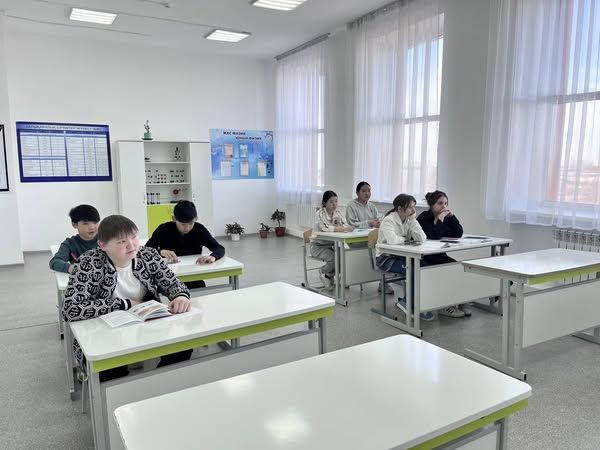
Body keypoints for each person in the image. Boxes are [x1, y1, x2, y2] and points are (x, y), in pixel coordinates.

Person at [63, 215, 192, 381]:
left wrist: (180, 296)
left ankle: (157, 384)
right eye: (122, 241)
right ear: (103, 245)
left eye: (134, 237)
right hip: (104, 332)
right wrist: (125, 304)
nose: (132, 245)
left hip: (147, 324)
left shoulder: (148, 255)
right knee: (110, 372)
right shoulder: (88, 263)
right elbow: (70, 309)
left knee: (183, 347)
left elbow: (173, 284)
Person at [375, 194, 433, 321]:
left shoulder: (409, 220)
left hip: (401, 256)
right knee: (412, 270)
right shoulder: (389, 220)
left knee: (425, 267)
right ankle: (409, 304)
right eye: (410, 207)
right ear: (400, 209)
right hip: (385, 258)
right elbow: (392, 240)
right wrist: (405, 239)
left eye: (414, 207)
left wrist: (413, 220)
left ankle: (415, 303)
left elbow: (422, 238)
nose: (413, 210)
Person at [146, 200, 225, 289]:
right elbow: (145, 250)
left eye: (191, 224)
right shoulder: (163, 229)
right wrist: (160, 251)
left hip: (192, 276)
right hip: (167, 278)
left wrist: (213, 256)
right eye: (183, 224)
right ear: (174, 218)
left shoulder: (199, 229)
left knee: (200, 289)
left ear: (196, 218)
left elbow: (219, 248)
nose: (187, 228)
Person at [417, 190, 469, 318]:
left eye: (446, 203)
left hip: (439, 255)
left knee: (458, 267)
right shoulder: (424, 218)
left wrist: (452, 217)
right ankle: (444, 306)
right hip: (424, 257)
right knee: (446, 271)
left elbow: (458, 233)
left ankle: (457, 301)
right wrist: (440, 219)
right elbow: (434, 235)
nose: (444, 206)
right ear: (432, 205)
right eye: (440, 203)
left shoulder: (446, 216)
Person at [345, 181, 393, 295]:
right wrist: (369, 223)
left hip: (371, 239)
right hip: (357, 240)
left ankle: (383, 282)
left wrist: (379, 223)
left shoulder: (371, 206)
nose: (367, 193)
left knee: (386, 251)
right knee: (378, 252)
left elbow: (377, 219)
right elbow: (352, 224)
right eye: (364, 191)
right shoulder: (351, 205)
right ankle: (349, 278)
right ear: (357, 193)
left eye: (369, 191)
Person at [311, 190, 354, 291]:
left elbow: (345, 225)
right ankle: (323, 272)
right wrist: (343, 229)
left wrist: (345, 228)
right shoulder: (319, 213)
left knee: (344, 257)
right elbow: (326, 228)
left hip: (332, 245)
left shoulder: (337, 213)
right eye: (331, 201)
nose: (334, 204)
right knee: (334, 258)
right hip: (318, 246)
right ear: (324, 202)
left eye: (336, 201)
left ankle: (328, 275)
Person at [49, 204, 100, 273]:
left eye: (95, 222)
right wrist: (72, 268)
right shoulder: (70, 244)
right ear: (74, 224)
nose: (92, 227)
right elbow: (54, 262)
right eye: (86, 223)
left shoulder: (106, 239)